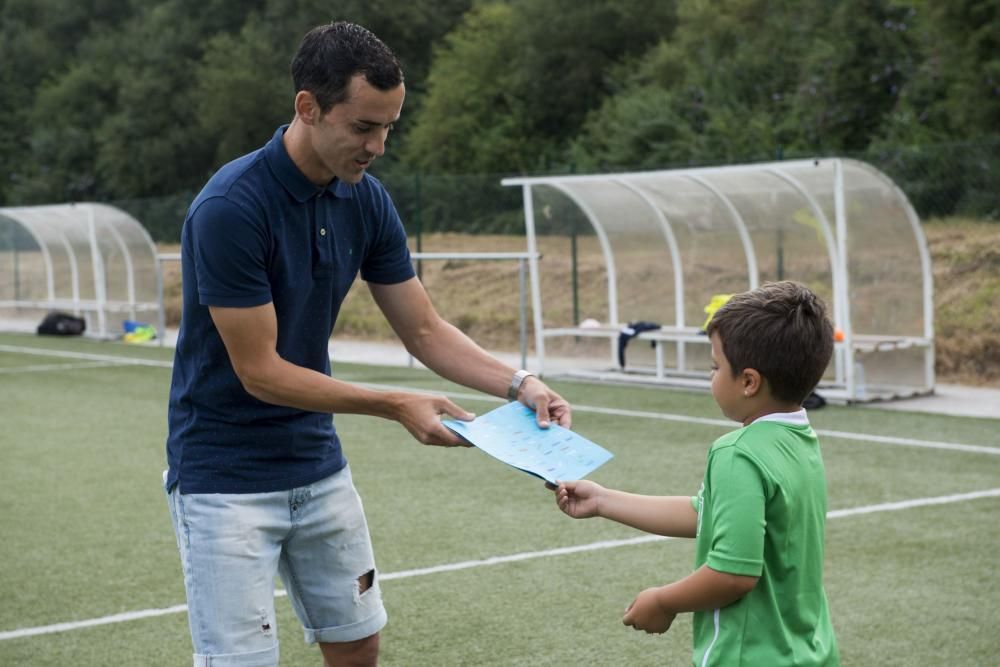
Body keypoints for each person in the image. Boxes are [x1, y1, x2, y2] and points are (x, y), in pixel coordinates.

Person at [164, 21, 570, 667]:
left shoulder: (366, 199)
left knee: (357, 642)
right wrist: (393, 402)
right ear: (308, 107)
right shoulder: (231, 207)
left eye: (389, 128)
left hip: (316, 462)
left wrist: (519, 383)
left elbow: (425, 329)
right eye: (362, 127)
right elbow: (261, 371)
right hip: (224, 477)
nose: (378, 145)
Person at [552, 280, 839, 666]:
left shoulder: (737, 453)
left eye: (715, 367)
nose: (711, 376)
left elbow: (734, 574)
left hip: (749, 657)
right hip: (811, 652)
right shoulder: (801, 440)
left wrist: (663, 600)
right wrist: (603, 500)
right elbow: (706, 514)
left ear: (749, 382)